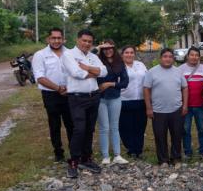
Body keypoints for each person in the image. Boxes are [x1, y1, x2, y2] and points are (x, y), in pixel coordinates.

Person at [61, 29, 108, 178]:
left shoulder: (93, 56)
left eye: (89, 42)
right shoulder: (68, 55)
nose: (87, 44)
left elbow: (105, 72)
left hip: (93, 96)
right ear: (77, 40)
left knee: (89, 129)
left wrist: (87, 68)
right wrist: (95, 72)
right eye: (84, 40)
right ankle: (74, 161)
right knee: (79, 129)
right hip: (77, 98)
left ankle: (86, 158)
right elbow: (77, 74)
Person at [32, 28, 73, 162]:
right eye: (53, 38)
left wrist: (70, 88)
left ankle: (74, 151)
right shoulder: (40, 55)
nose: (56, 41)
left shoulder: (70, 53)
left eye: (59, 38)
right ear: (48, 39)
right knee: (54, 124)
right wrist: (58, 88)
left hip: (69, 93)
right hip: (51, 94)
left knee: (71, 123)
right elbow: (40, 77)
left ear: (63, 39)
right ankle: (58, 152)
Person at [143, 48, 188, 166]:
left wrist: (185, 105)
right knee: (160, 136)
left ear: (173, 58)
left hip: (176, 109)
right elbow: (146, 89)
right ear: (160, 58)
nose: (168, 59)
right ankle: (163, 160)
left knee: (177, 135)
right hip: (158, 111)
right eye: (165, 56)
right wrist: (148, 108)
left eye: (170, 56)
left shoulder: (178, 71)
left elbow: (185, 88)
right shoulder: (152, 72)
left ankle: (176, 158)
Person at [96, 40, 130, 165]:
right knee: (104, 127)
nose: (108, 50)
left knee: (114, 127)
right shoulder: (97, 61)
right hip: (101, 98)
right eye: (105, 49)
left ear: (114, 49)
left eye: (110, 48)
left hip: (115, 98)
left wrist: (110, 84)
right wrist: (98, 47)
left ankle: (117, 155)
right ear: (102, 50)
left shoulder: (119, 63)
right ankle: (105, 156)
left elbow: (125, 83)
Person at [178, 46, 203, 159]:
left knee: (202, 129)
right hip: (185, 105)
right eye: (192, 55)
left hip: (200, 105)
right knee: (185, 129)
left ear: (199, 57)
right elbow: (178, 87)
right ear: (187, 56)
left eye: (197, 55)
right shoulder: (180, 69)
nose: (194, 57)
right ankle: (187, 152)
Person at [118, 46, 148, 159]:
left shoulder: (140, 65)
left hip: (140, 100)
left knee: (140, 126)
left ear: (134, 54)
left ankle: (138, 150)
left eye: (131, 52)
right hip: (124, 101)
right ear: (122, 54)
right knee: (125, 127)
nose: (129, 55)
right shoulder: (118, 66)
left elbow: (147, 78)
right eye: (126, 52)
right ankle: (130, 149)